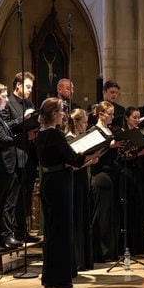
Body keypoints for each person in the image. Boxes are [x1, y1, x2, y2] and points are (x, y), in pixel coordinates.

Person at [36, 97, 88, 288]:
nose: (64, 114)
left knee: (52, 230)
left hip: (49, 182)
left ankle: (49, 276)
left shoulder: (40, 133)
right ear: (54, 114)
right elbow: (73, 159)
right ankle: (59, 278)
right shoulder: (55, 135)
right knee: (61, 230)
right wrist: (85, 153)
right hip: (60, 184)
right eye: (61, 111)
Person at [1, 71, 39, 243]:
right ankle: (10, 233)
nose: (30, 90)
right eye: (27, 86)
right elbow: (4, 127)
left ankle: (22, 230)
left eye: (31, 87)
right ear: (18, 85)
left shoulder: (29, 103)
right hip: (14, 155)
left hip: (29, 155)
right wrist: (22, 120)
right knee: (13, 196)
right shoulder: (7, 103)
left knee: (26, 194)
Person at [90, 101, 124, 262]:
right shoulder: (94, 130)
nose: (112, 117)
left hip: (113, 176)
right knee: (101, 216)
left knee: (112, 215)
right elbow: (92, 152)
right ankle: (100, 253)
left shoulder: (109, 130)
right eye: (109, 114)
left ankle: (111, 251)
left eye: (112, 114)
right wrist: (110, 146)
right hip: (101, 176)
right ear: (101, 114)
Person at [64, 108, 95, 271]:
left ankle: (85, 259)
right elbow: (71, 167)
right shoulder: (69, 139)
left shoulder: (80, 138)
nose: (86, 125)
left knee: (83, 216)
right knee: (76, 218)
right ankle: (77, 260)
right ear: (75, 122)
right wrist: (91, 160)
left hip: (83, 180)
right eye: (84, 122)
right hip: (74, 181)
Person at [118, 107, 144, 255]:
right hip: (127, 173)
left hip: (140, 172)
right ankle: (128, 245)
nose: (137, 120)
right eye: (134, 117)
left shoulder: (141, 132)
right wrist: (139, 153)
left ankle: (139, 245)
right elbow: (122, 156)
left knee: (139, 209)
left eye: (139, 118)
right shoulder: (122, 134)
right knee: (129, 210)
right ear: (127, 118)